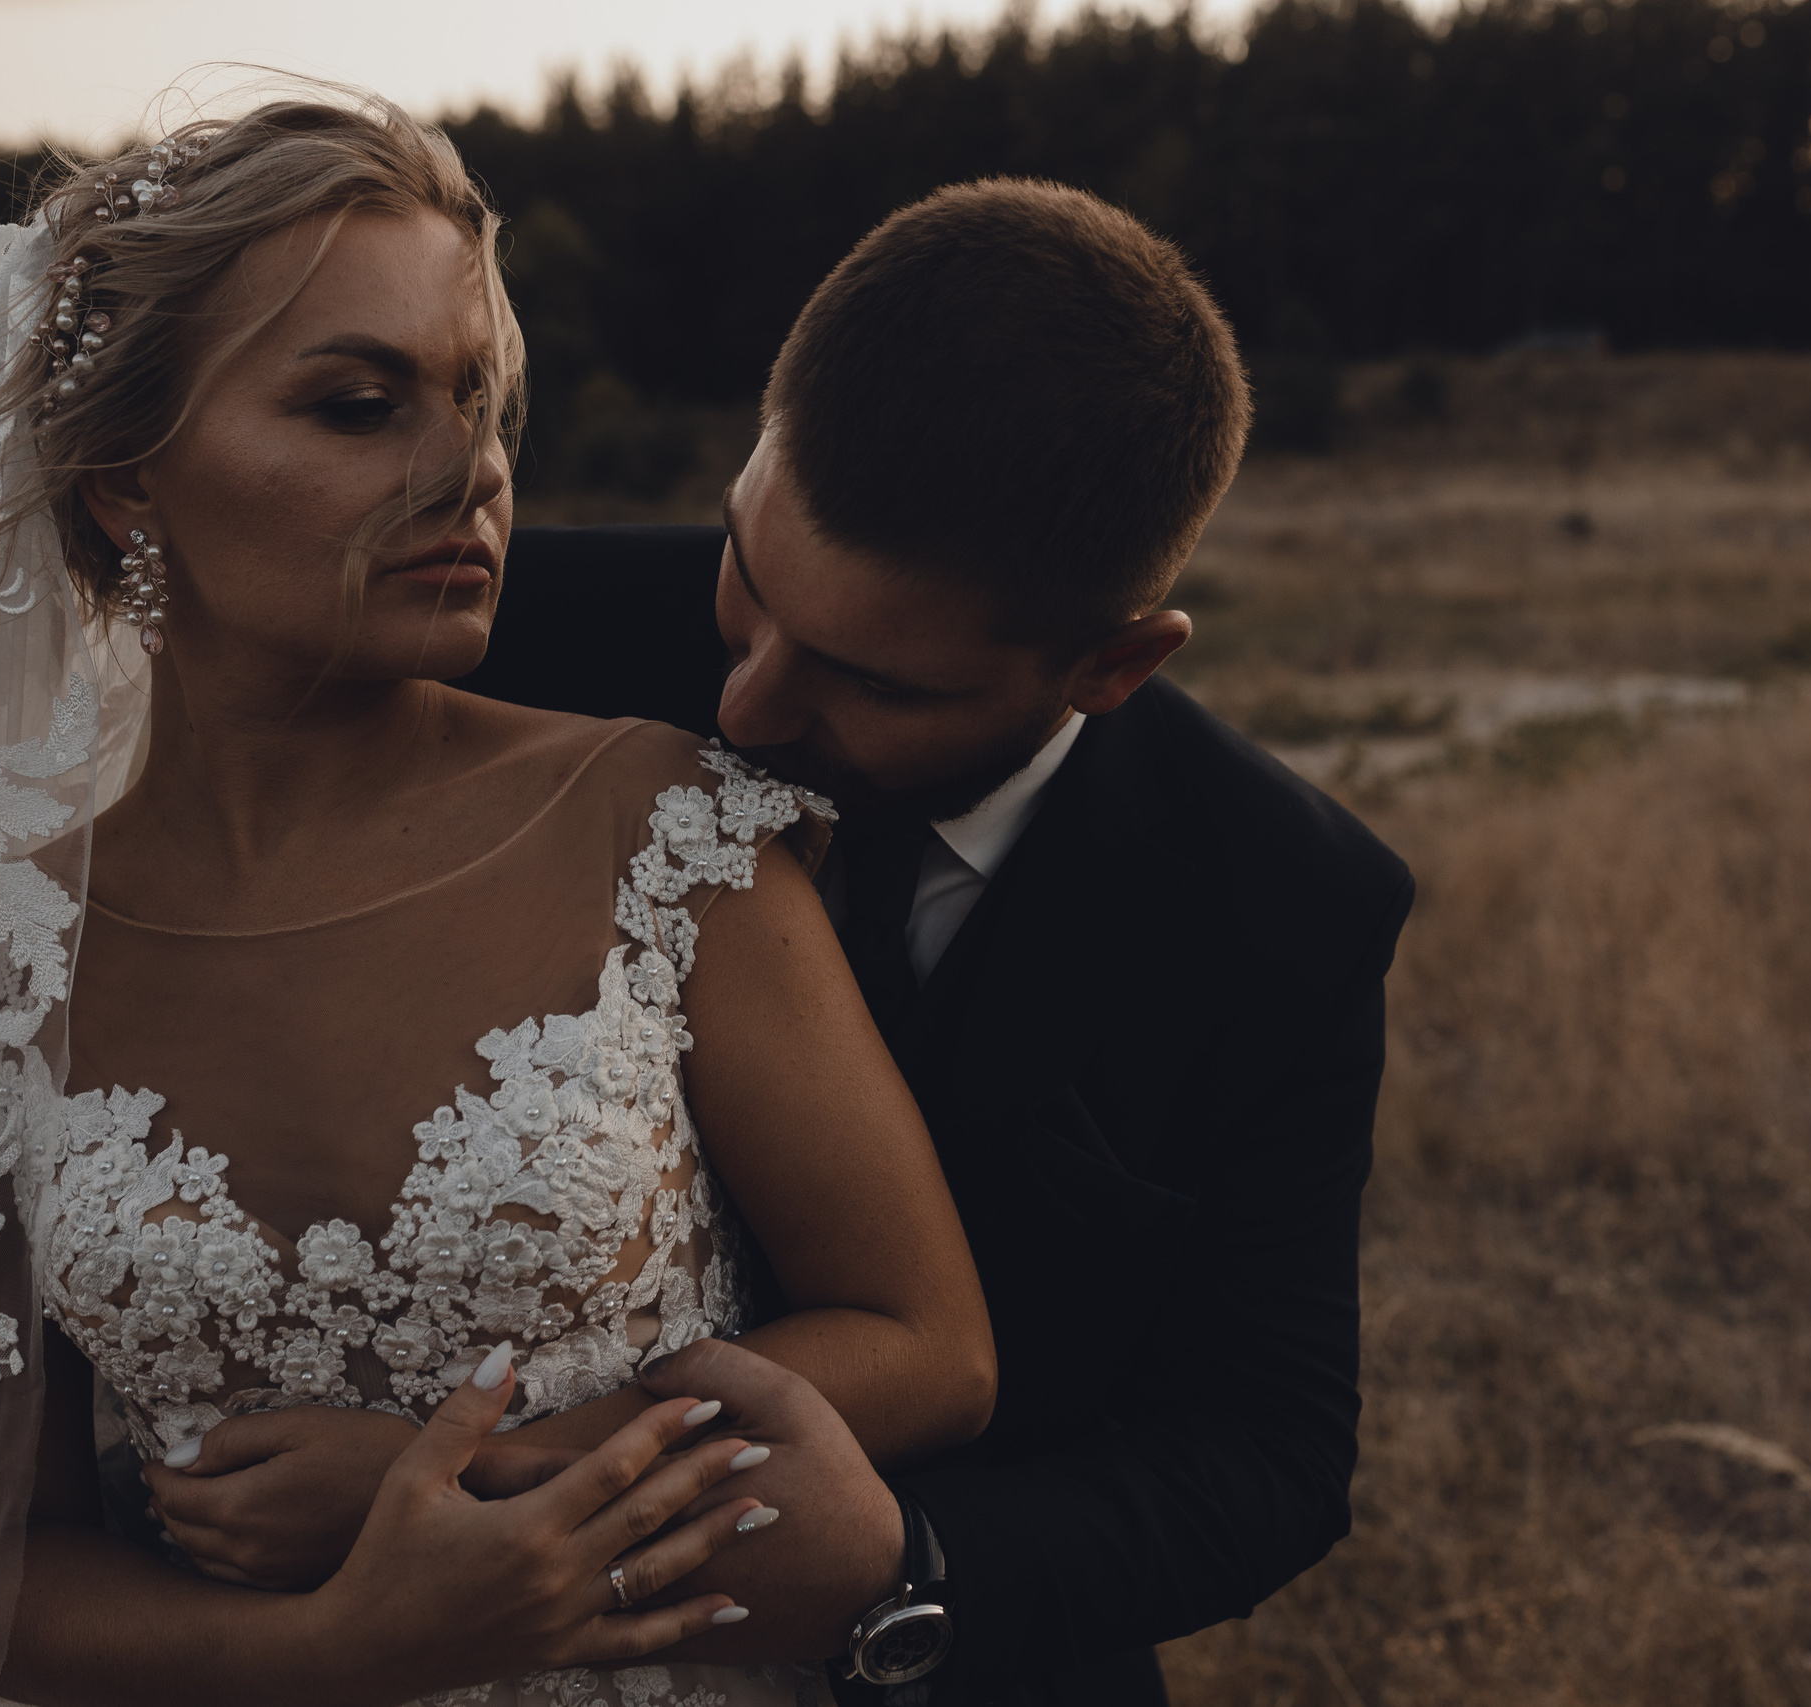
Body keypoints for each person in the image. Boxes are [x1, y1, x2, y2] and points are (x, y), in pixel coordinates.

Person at [0, 93, 995, 1707]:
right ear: (123, 488)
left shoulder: (659, 824)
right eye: (363, 406)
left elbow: (925, 1341)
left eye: (481, 398)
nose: (475, 470)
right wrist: (333, 1649)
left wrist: (469, 1477)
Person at [336, 180, 1420, 1704]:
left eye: (872, 680)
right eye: (746, 583)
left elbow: (1265, 1453)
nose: (747, 710)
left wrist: (905, 1563)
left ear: (1115, 663)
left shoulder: (1277, 905)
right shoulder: (502, 643)